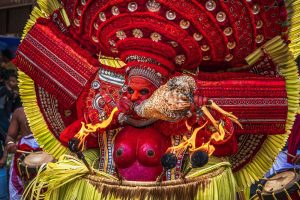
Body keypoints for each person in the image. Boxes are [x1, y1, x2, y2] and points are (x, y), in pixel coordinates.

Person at [14, 0, 300, 199]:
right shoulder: (102, 103)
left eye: (143, 93)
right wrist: (77, 152)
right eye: (130, 92)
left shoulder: (189, 113)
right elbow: (74, 138)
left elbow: (224, 148)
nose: (135, 99)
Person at [4, 107, 40, 200]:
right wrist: (10, 144)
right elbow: (10, 136)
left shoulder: (53, 110)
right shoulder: (19, 112)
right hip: (22, 161)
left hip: (49, 162)